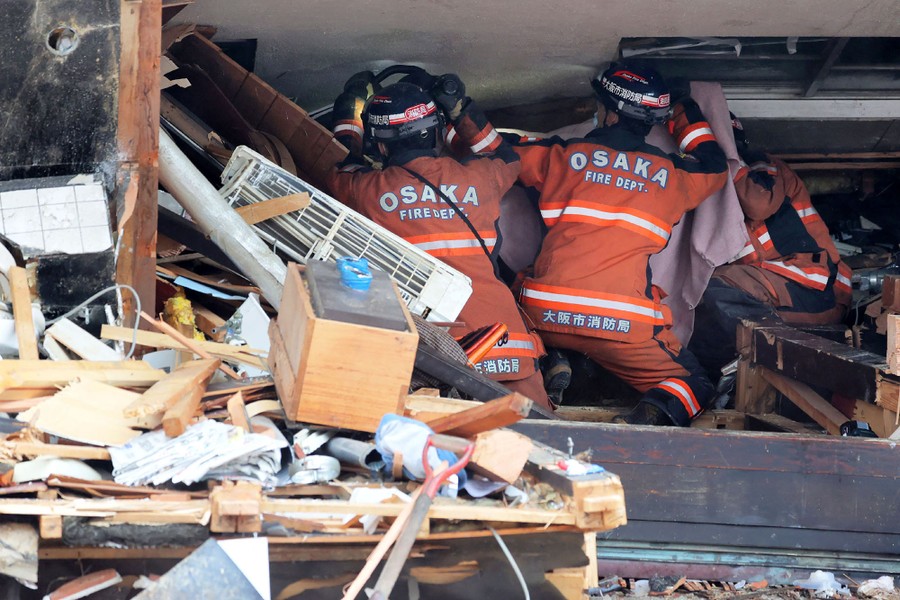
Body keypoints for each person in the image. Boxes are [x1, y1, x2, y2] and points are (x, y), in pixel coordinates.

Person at [509, 64, 729, 426]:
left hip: (547, 313)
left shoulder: (562, 156)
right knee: (695, 385)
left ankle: (550, 356)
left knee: (514, 287)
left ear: (608, 112)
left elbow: (494, 156)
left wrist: (459, 114)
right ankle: (645, 420)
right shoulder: (675, 178)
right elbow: (714, 165)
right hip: (623, 328)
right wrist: (682, 109)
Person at [324, 71, 550, 408]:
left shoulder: (366, 191)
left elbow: (343, 164)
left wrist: (349, 115)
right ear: (435, 135)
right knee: (552, 440)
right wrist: (461, 111)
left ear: (381, 144)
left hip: (443, 358)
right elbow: (507, 158)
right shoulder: (481, 177)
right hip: (508, 340)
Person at [688, 114, 852, 380]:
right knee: (694, 307)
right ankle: (713, 385)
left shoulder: (764, 169)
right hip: (784, 297)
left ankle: (769, 364)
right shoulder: (714, 189)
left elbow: (758, 204)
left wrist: (718, 157)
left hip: (819, 289)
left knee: (712, 289)